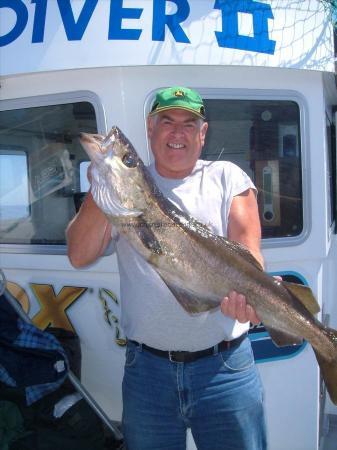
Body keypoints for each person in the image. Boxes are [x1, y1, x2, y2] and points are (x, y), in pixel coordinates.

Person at [66, 86, 266, 450]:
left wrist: (254, 297)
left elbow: (249, 255)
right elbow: (79, 255)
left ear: (203, 134)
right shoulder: (120, 197)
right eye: (167, 122)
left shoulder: (226, 177)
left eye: (189, 124)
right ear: (150, 129)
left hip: (225, 370)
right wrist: (103, 187)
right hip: (148, 374)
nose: (178, 133)